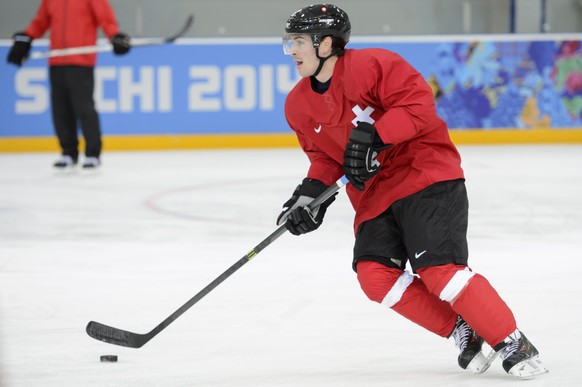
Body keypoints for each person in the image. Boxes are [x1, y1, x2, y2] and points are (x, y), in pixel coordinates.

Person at [276, 4, 548, 379]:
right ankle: (461, 327)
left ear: (326, 45)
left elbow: (419, 105)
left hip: (424, 173)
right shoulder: (297, 105)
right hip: (373, 195)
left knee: (439, 271)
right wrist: (308, 197)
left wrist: (377, 137)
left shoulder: (373, 65)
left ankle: (512, 341)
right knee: (374, 276)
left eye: (299, 41)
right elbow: (324, 158)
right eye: (290, 41)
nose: (291, 50)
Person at [6, 0, 131, 169]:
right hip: (56, 61)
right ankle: (68, 152)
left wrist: (114, 35)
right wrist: (27, 37)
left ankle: (92, 154)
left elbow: (106, 18)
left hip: (80, 61)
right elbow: (40, 22)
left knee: (84, 108)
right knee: (61, 110)